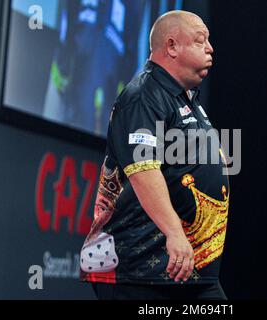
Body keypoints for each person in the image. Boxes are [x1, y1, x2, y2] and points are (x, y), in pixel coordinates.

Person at [80, 10, 230, 300]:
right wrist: (175, 233)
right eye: (200, 41)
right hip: (141, 271)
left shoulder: (187, 100)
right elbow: (142, 169)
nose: (210, 48)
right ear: (171, 46)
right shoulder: (143, 95)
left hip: (190, 270)